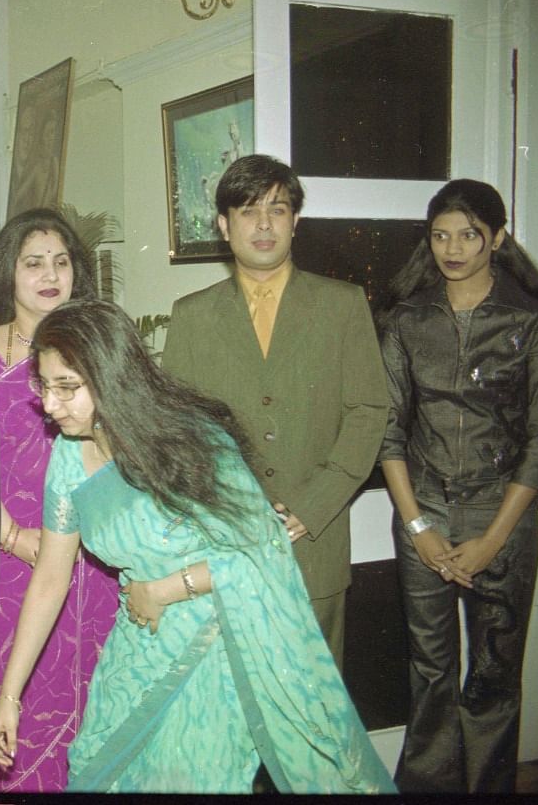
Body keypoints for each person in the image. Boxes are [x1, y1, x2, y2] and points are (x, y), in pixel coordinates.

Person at [0, 299, 396, 793]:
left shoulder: (194, 442)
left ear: (111, 378)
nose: (50, 405)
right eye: (44, 386)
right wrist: (10, 698)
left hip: (217, 647)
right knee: (99, 767)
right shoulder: (71, 457)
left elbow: (262, 548)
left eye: (67, 387)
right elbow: (51, 576)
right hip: (138, 649)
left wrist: (163, 590)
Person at [159, 154, 388, 669]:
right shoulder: (192, 317)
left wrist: (312, 508)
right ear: (223, 225)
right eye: (247, 210)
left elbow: (369, 411)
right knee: (234, 714)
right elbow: (179, 430)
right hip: (226, 547)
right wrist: (227, 511)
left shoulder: (343, 305)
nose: (263, 224)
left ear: (295, 222)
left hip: (315, 548)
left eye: (278, 209)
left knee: (316, 713)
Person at [375, 179, 538, 793]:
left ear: (496, 238)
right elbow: (389, 430)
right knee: (430, 669)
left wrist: (492, 540)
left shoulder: (530, 319)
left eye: (469, 235)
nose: (453, 248)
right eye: (440, 235)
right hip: (423, 511)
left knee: (496, 674)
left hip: (501, 514)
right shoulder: (407, 318)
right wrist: (418, 525)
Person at [0, 208, 117, 791]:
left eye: (61, 261)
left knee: (92, 710)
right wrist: (8, 536)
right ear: (9, 272)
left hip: (90, 556)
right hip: (0, 560)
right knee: (11, 708)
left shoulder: (98, 348)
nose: (51, 274)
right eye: (34, 263)